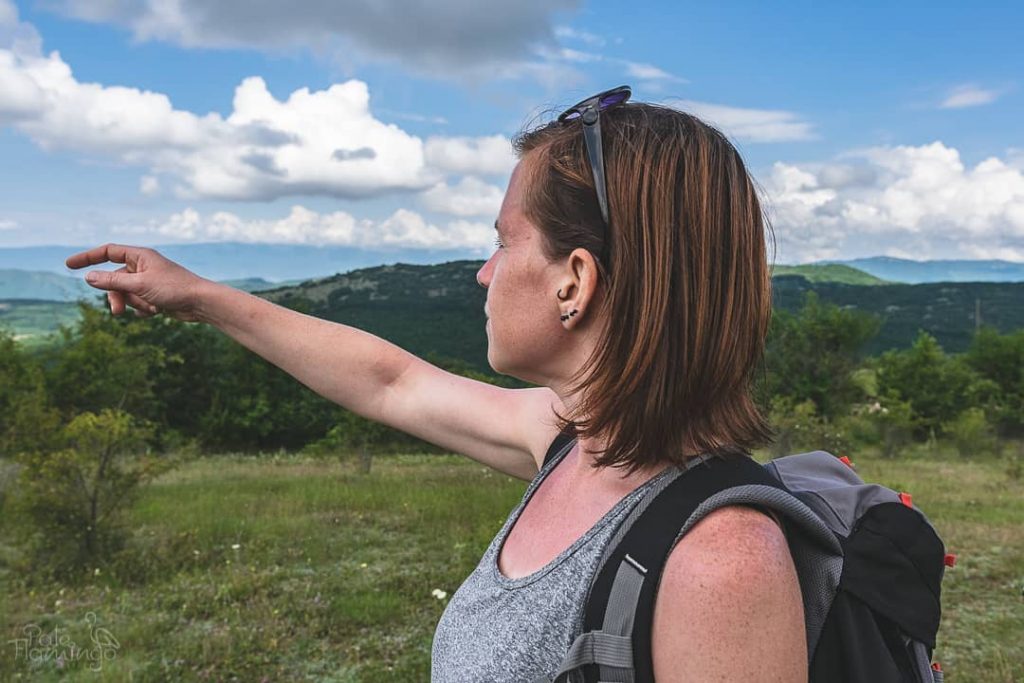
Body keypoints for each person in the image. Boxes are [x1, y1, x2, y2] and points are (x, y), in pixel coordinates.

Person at [66, 86, 806, 682]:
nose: (484, 271)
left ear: (574, 281)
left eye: (502, 240)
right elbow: (391, 382)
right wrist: (201, 298)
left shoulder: (722, 564)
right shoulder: (568, 442)